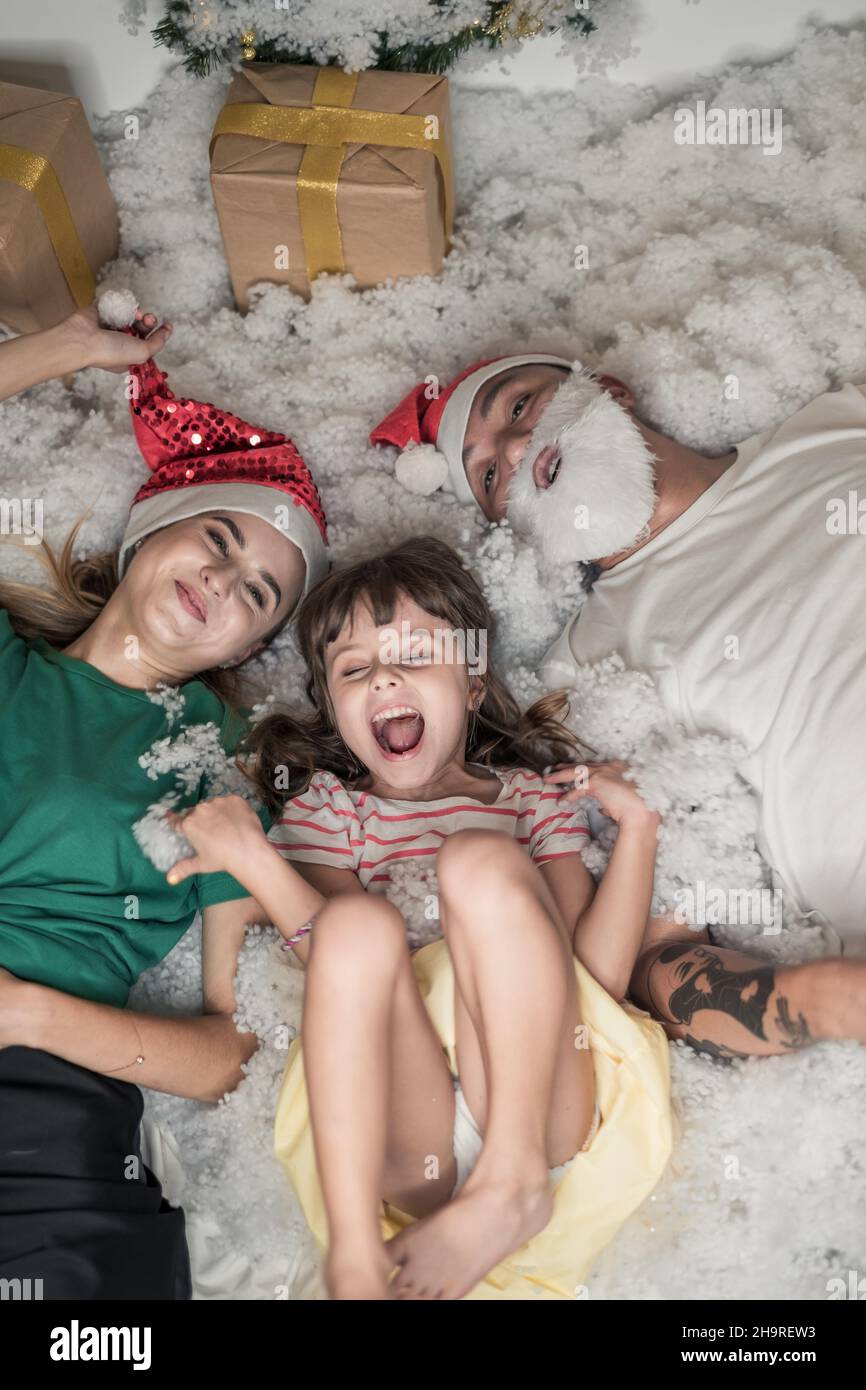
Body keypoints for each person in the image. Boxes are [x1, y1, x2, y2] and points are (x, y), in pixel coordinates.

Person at [165, 536, 674, 1300]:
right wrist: (259, 864)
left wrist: (637, 833)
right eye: (355, 669)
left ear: (472, 685)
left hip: (537, 1111)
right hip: (409, 1126)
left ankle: (510, 1186)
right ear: (335, 709)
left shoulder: (531, 800)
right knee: (358, 929)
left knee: (478, 859)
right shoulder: (328, 810)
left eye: (415, 656)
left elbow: (591, 989)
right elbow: (339, 973)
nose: (387, 677)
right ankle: (356, 1260)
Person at [370, 354, 866, 1057]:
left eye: (518, 407)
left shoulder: (831, 423)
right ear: (514, 528)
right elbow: (659, 958)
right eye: (489, 476)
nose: (515, 449)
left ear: (606, 389)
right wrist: (821, 1000)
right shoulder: (584, 670)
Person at [0, 305, 328, 1299]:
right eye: (219, 539)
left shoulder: (214, 765)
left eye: (260, 593)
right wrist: (68, 352)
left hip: (42, 1125)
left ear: (245, 648)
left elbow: (226, 1052)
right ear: (150, 527)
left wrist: (25, 1014)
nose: (225, 581)